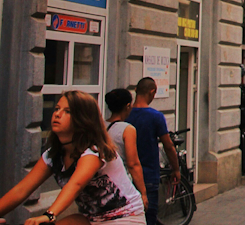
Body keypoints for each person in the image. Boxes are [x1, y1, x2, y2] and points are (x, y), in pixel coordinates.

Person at [0, 91, 146, 225]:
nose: (57, 114)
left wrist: (50, 215)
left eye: (67, 111)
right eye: (57, 109)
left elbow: (76, 185)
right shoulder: (54, 155)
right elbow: (22, 190)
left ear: (83, 119)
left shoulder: (94, 151)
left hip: (125, 217)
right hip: (90, 219)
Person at [127, 77, 181, 225]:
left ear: (136, 90)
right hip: (148, 175)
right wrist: (176, 169)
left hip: (126, 176)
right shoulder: (155, 116)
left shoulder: (126, 115)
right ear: (152, 92)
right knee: (148, 218)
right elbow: (168, 145)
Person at [104, 89, 149, 208]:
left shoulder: (101, 126)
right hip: (120, 186)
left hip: (102, 185)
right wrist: (143, 193)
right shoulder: (127, 129)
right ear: (128, 106)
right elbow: (133, 164)